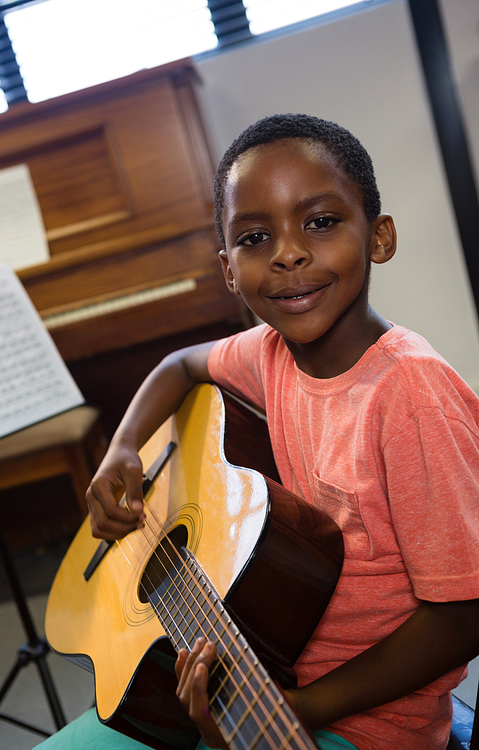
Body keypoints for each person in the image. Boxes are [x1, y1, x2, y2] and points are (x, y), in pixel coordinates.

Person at [35, 113, 479, 750]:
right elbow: (179, 365)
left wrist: (302, 707)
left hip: (368, 724)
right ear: (227, 269)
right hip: (270, 655)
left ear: (379, 237)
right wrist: (123, 448)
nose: (289, 253)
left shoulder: (410, 395)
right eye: (254, 237)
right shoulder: (272, 352)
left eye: (320, 222)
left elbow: (464, 614)